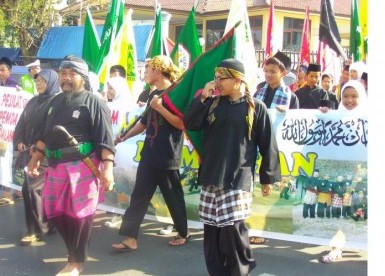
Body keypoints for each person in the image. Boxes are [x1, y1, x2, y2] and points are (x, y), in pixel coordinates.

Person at [184, 58, 281, 276]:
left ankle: (239, 271)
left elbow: (268, 145)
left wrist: (267, 178)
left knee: (232, 231)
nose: (216, 82)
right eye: (216, 77)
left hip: (237, 178)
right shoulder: (212, 103)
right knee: (212, 231)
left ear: (237, 80)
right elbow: (190, 124)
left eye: (221, 78)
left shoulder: (256, 108)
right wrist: (202, 98)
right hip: (211, 175)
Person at [27, 55, 115, 275]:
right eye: (63, 73)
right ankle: (73, 254)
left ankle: (75, 262)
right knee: (54, 214)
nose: (66, 78)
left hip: (82, 166)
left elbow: (105, 140)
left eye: (71, 74)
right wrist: (34, 160)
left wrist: (108, 169)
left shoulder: (94, 102)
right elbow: (44, 136)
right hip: (55, 166)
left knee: (81, 217)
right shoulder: (53, 102)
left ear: (82, 77)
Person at [111, 55, 190, 251]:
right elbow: (145, 123)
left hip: (167, 153)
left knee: (173, 195)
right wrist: (124, 136)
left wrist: (160, 108)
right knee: (139, 194)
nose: (144, 73)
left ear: (158, 69)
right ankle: (129, 237)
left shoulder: (175, 93)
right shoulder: (153, 95)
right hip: (150, 152)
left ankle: (183, 231)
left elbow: (181, 124)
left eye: (147, 69)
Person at [319, 80, 367, 264]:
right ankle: (336, 248)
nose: (349, 100)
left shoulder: (369, 118)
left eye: (354, 96)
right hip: (341, 177)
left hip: (362, 177)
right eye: (345, 96)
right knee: (339, 210)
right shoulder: (335, 116)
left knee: (359, 213)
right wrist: (323, 115)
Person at [13, 69, 59, 246]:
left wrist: (38, 148)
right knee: (41, 191)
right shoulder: (33, 101)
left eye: (43, 81)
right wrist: (19, 142)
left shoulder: (56, 103)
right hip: (29, 153)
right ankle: (49, 224)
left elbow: (51, 130)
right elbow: (21, 124)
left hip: (45, 154)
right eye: (37, 81)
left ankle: (34, 231)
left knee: (30, 190)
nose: (38, 84)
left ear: (52, 82)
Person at [0, 56, 23, 207]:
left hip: (13, 132)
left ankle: (8, 194)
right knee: (12, 161)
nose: (0, 72)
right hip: (4, 131)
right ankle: (18, 192)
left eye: (3, 70)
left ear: (10, 71)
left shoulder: (14, 86)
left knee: (7, 161)